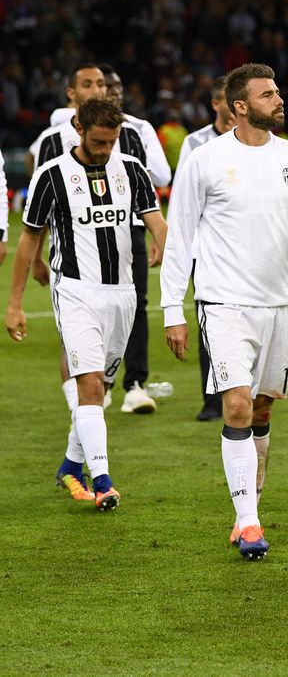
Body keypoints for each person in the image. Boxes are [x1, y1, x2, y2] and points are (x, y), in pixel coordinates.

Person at [160, 63, 288, 560]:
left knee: (262, 407)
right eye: (267, 95)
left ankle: (252, 494)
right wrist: (171, 309)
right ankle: (247, 521)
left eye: (278, 92)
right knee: (238, 403)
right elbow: (179, 237)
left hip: (278, 304)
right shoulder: (204, 160)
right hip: (222, 302)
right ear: (239, 107)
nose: (279, 100)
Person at [5, 98, 168, 511]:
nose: (104, 149)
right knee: (90, 385)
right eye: (98, 141)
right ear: (79, 127)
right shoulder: (51, 175)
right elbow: (30, 238)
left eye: (111, 141)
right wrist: (15, 304)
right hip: (75, 290)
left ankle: (70, 465)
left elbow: (157, 221)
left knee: (102, 388)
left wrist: (165, 246)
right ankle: (103, 480)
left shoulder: (131, 169)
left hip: (124, 295)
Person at [30, 64, 172, 415]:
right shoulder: (53, 139)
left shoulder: (133, 132)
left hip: (128, 233)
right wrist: (35, 254)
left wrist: (159, 234)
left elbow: (151, 181)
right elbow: (42, 200)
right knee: (77, 324)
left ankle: (132, 384)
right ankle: (83, 399)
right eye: (89, 84)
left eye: (103, 84)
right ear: (72, 94)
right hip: (74, 246)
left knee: (136, 305)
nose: (99, 89)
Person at [176, 76, 235, 422]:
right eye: (231, 99)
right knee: (210, 323)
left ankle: (246, 391)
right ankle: (212, 399)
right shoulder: (195, 143)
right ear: (216, 104)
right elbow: (186, 198)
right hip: (207, 251)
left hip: (246, 249)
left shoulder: (257, 141)